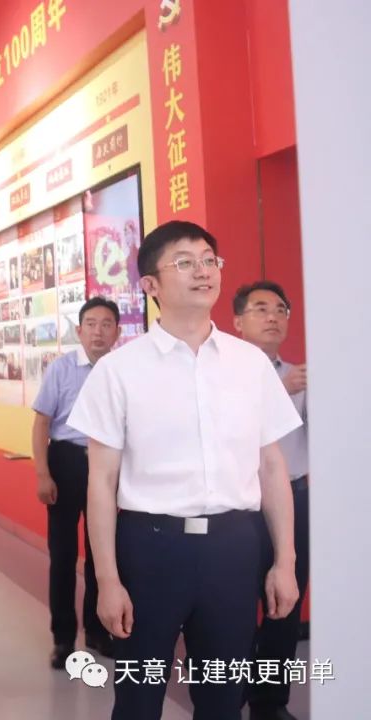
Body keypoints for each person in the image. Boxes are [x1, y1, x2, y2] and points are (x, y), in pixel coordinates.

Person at [67, 221, 301, 720]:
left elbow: (271, 466)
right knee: (138, 697)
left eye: (209, 260)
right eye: (185, 262)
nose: (203, 271)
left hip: (234, 548)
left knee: (223, 697)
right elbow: (101, 483)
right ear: (150, 284)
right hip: (151, 549)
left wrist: (285, 560)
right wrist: (106, 579)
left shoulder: (250, 365)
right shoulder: (119, 371)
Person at [233, 281, 310, 720]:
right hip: (242, 509)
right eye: (260, 309)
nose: (273, 317)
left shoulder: (302, 376)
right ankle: (232, 697)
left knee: (286, 605)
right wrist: (282, 388)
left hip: (294, 501)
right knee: (237, 605)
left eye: (281, 309)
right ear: (237, 322)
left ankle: (270, 701)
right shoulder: (225, 376)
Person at [32, 296, 120, 670]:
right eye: (91, 324)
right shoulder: (62, 369)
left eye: (106, 324)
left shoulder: (121, 370)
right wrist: (42, 473)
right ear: (79, 330)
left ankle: (98, 631)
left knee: (104, 552)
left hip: (109, 464)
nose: (98, 332)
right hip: (66, 461)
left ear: (116, 331)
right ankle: (63, 638)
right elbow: (41, 423)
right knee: (64, 555)